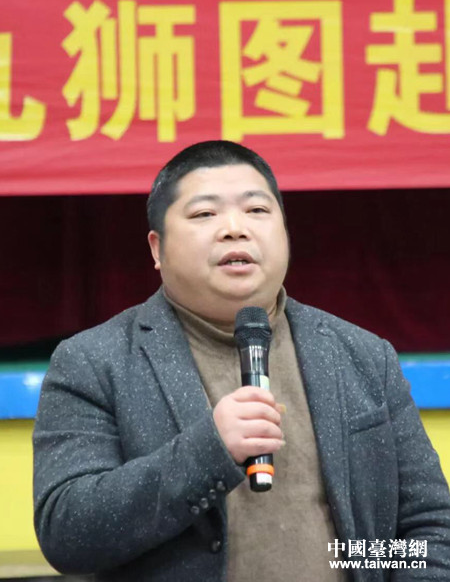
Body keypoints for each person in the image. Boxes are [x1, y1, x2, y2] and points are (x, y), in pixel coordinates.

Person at [33, 140, 450, 581]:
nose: (235, 229)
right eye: (204, 214)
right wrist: (208, 451)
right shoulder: (93, 361)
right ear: (157, 248)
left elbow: (429, 526)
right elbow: (67, 533)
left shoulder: (362, 355)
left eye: (257, 210)